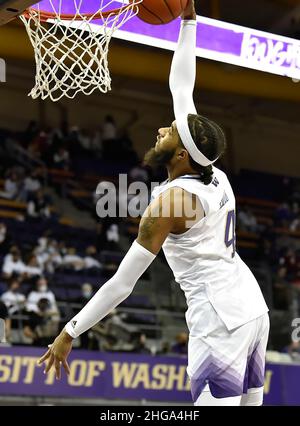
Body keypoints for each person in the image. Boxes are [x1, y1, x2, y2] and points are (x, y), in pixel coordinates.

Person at [38, 1, 269, 407]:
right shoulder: (209, 166)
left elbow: (122, 284)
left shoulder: (171, 205)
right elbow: (182, 87)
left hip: (220, 320)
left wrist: (68, 331)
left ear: (181, 155)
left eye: (168, 134)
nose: (162, 129)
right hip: (251, 308)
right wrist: (189, 21)